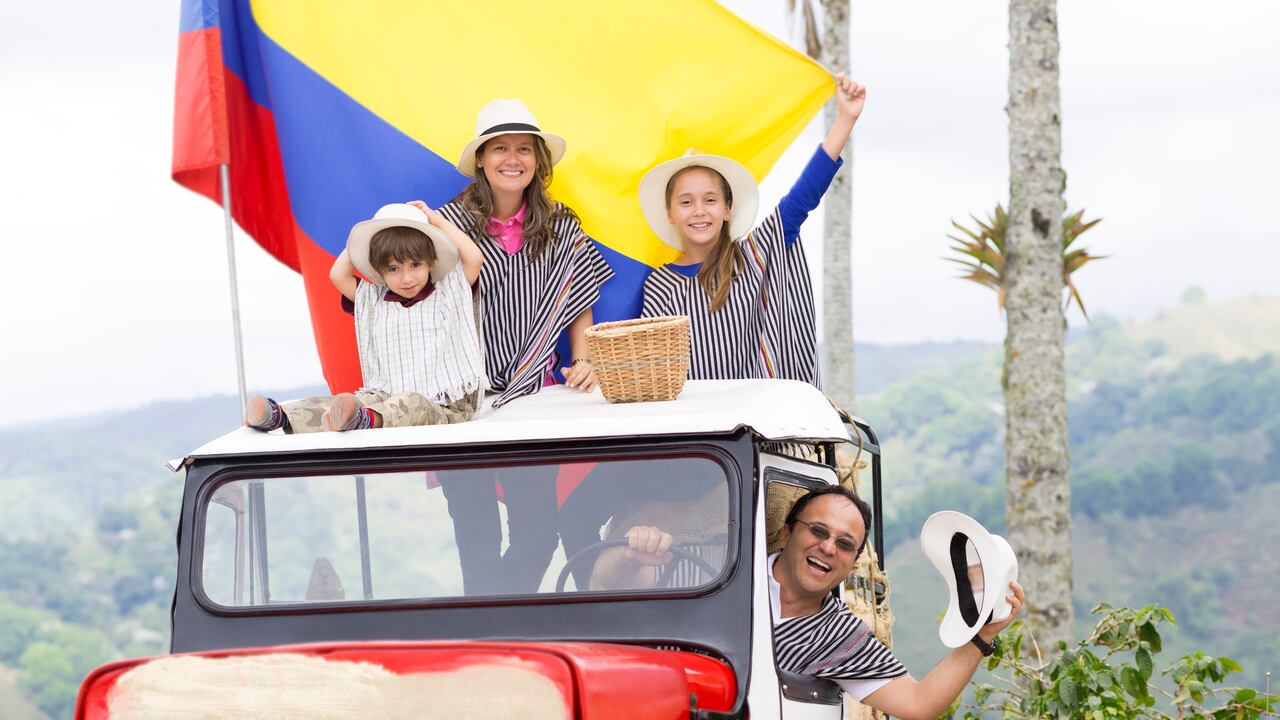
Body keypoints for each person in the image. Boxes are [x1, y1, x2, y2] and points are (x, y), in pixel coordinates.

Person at [598, 485, 1026, 719]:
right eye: (817, 532)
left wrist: (981, 639)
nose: (827, 548)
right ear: (787, 534)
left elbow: (917, 705)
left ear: (852, 562)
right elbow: (607, 587)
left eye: (844, 544)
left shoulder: (840, 635)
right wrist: (631, 553)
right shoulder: (715, 568)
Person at [427, 98, 613, 595]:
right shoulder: (447, 226)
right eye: (501, 148)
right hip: (461, 398)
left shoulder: (561, 226)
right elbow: (422, 300)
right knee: (475, 533)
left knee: (537, 533)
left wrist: (586, 360)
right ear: (483, 159)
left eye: (524, 149)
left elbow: (579, 300)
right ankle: (490, 643)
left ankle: (486, 621)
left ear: (539, 161)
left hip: (533, 396)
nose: (514, 159)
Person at [638, 74, 866, 387]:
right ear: (671, 214)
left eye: (710, 200)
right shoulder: (658, 284)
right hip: (696, 430)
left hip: (754, 428)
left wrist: (845, 120)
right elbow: (650, 362)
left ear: (727, 209)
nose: (700, 210)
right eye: (686, 202)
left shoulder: (752, 258)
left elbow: (801, 200)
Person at [243, 203, 485, 433]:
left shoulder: (447, 293)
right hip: (384, 397)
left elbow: (474, 258)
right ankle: (280, 417)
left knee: (411, 403)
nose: (406, 277)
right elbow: (338, 274)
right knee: (338, 404)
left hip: (444, 406)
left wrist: (436, 220)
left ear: (431, 263)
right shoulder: (374, 301)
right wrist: (368, 236)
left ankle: (364, 420)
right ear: (379, 271)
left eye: (415, 264)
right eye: (393, 269)